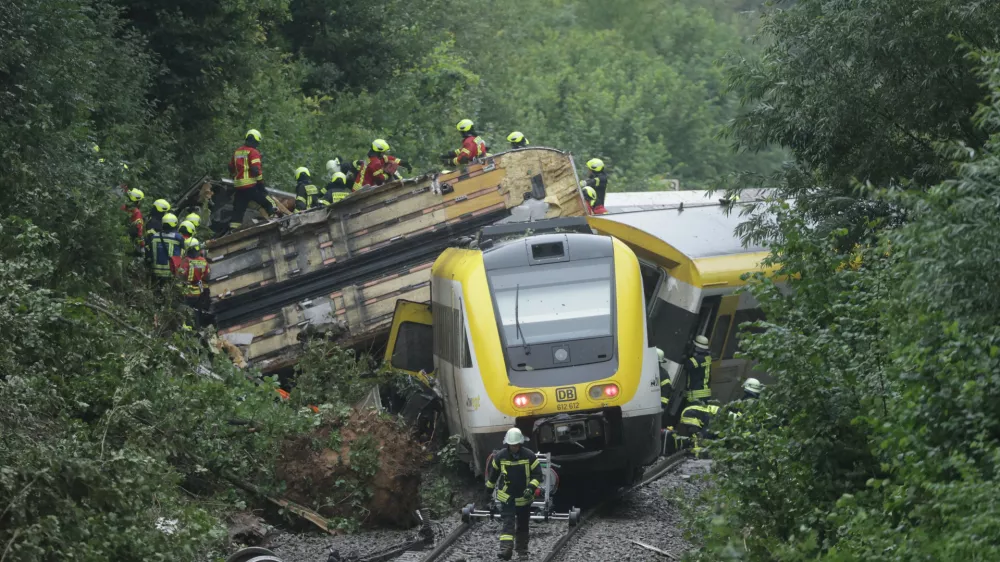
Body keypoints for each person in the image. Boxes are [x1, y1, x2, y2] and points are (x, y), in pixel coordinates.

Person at [486, 427, 542, 560]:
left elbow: (538, 475)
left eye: (516, 445)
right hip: (507, 497)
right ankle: (506, 549)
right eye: (511, 445)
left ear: (520, 444)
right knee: (508, 523)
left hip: (524, 498)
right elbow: (493, 477)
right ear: (508, 445)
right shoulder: (500, 456)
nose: (514, 448)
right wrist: (487, 492)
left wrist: (530, 488)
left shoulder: (529, 456)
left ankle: (522, 550)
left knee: (523, 525)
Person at [227, 128, 276, 233]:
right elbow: (255, 169)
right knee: (269, 203)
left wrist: (234, 176)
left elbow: (230, 167)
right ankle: (276, 221)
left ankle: (233, 232)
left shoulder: (237, 151)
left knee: (238, 211)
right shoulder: (253, 152)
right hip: (250, 186)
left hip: (239, 187)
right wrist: (261, 185)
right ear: (255, 141)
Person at [172, 237, 211, 328]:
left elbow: (179, 276)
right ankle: (199, 326)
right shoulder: (203, 261)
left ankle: (189, 327)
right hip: (199, 290)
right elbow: (207, 276)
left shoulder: (185, 262)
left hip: (187, 291)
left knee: (188, 311)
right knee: (198, 310)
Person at [150, 213, 184, 283]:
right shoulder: (178, 237)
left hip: (155, 272)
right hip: (171, 272)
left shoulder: (154, 236)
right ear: (175, 224)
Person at [684, 335, 712, 404]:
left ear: (696, 347)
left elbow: (687, 365)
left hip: (696, 395)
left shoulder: (694, 360)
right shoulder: (707, 358)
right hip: (705, 393)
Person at [122, 188, 145, 256]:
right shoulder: (137, 213)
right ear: (137, 201)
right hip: (131, 242)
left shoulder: (122, 208)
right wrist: (142, 245)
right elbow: (139, 231)